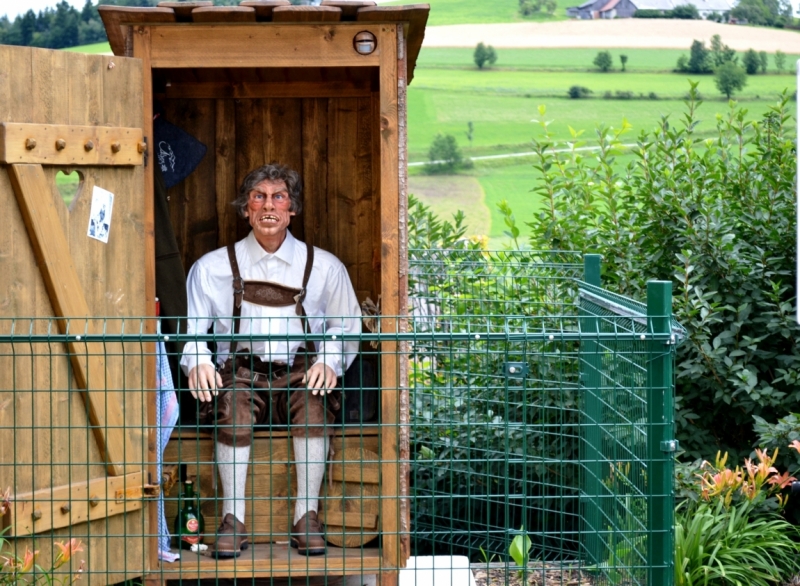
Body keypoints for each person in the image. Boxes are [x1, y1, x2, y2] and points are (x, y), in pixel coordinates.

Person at [180, 163, 361, 558]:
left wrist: (329, 360)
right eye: (258, 197)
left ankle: (306, 517)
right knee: (230, 406)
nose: (268, 206)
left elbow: (346, 326)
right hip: (240, 375)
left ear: (291, 209)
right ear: (246, 209)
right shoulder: (210, 268)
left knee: (315, 405)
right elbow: (191, 331)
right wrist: (198, 361)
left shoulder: (325, 267)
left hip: (300, 374)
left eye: (278, 197)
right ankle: (232, 520)